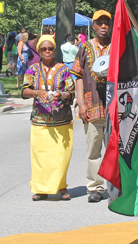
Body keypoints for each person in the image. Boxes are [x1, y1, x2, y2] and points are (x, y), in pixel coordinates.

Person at [21, 35, 75, 201]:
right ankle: (41, 189)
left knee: (61, 156)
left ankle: (62, 187)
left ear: (54, 50)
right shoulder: (32, 70)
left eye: (50, 48)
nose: (47, 52)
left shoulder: (63, 69)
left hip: (61, 120)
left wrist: (61, 94)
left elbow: (71, 92)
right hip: (40, 120)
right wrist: (36, 92)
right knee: (41, 156)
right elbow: (24, 91)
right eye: (43, 49)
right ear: (39, 51)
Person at [71, 10, 112, 203]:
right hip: (92, 104)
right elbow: (77, 75)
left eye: (107, 23)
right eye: (100, 23)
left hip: (114, 107)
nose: (103, 26)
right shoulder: (85, 48)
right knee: (94, 149)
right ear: (93, 26)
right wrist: (80, 103)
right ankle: (95, 187)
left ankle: (115, 186)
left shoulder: (117, 45)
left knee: (115, 148)